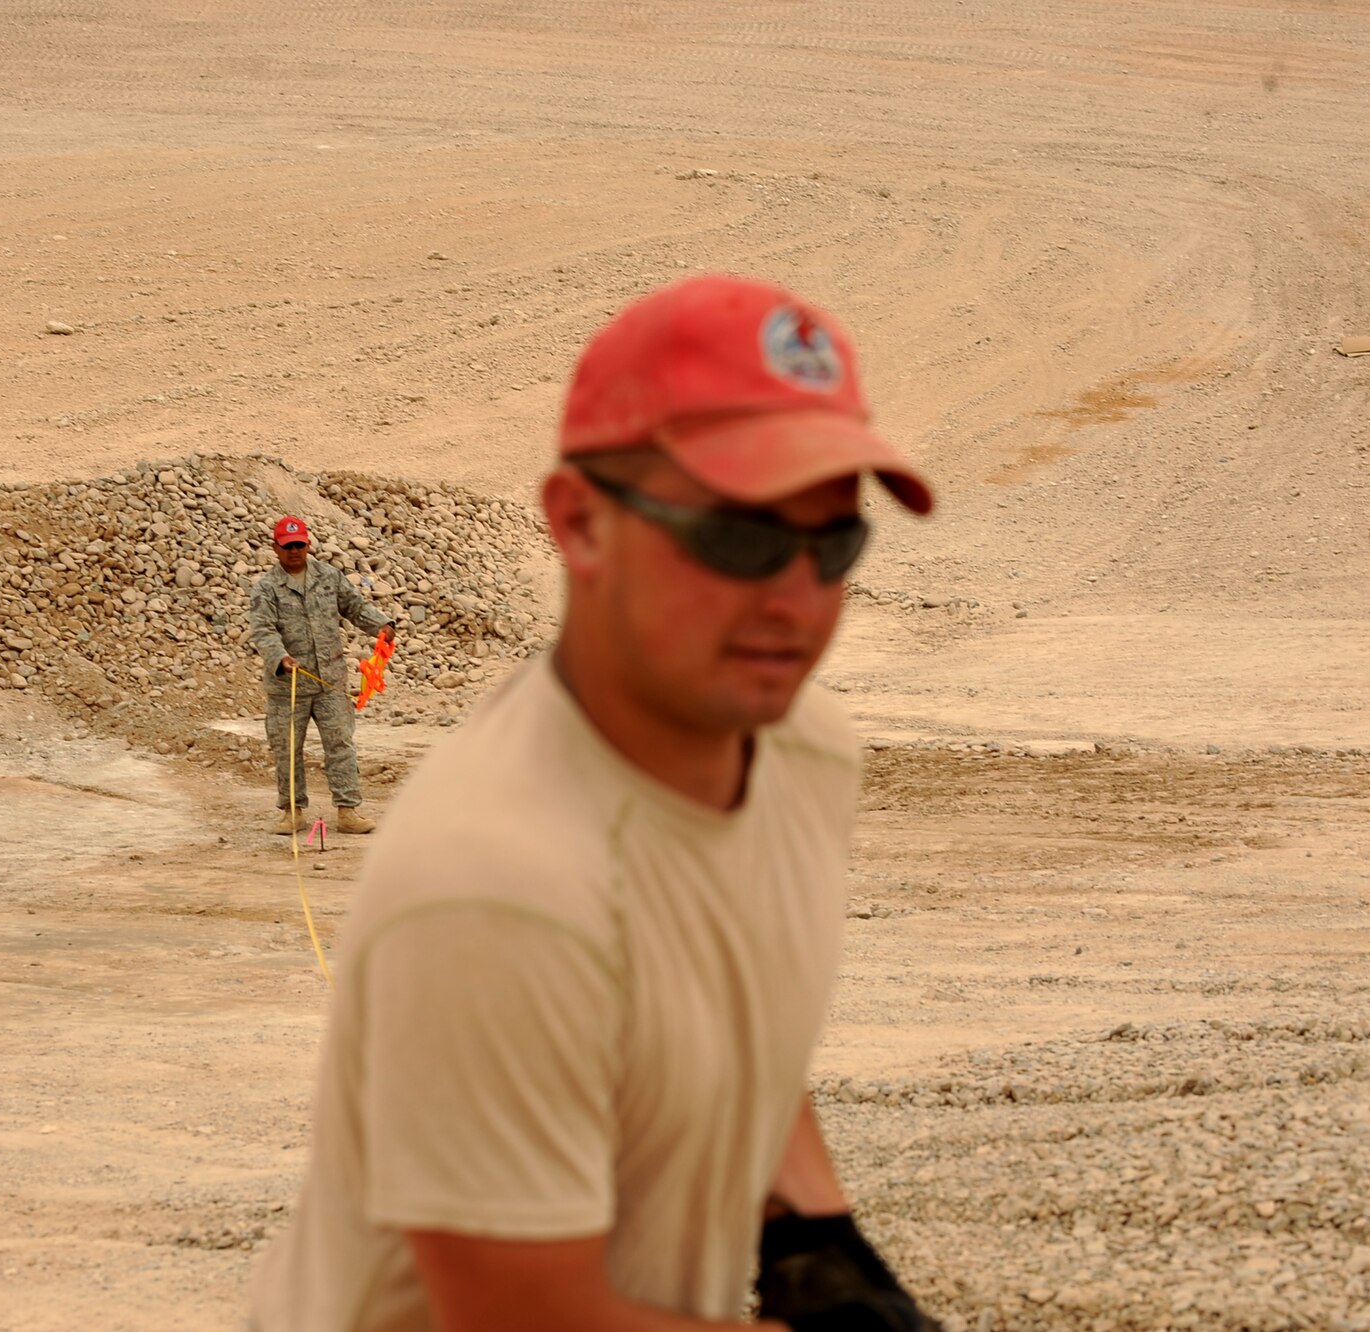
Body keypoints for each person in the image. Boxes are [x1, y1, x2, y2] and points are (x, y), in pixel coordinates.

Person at [246, 274, 941, 1332]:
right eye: (736, 537)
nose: (792, 598)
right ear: (579, 525)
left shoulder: (802, 754)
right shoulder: (494, 890)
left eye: (832, 544)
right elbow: (526, 1318)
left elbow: (739, 1020)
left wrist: (815, 1242)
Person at [247, 514, 396, 835]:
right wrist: (280, 657)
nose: (295, 551)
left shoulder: (329, 577)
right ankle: (292, 812)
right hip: (288, 686)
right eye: (288, 546)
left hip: (329, 681)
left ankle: (347, 811)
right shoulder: (266, 588)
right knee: (287, 750)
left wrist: (382, 624)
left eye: (299, 544)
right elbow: (262, 629)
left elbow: (354, 607)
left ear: (308, 543)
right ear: (276, 548)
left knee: (340, 745)